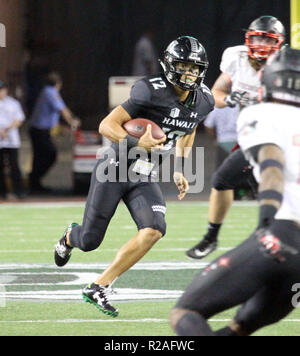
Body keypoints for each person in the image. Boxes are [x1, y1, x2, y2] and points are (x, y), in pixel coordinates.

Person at [54, 36, 214, 317]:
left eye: (194, 67)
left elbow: (188, 127)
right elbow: (107, 125)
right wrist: (138, 143)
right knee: (89, 241)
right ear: (168, 65)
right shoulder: (150, 92)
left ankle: (100, 286)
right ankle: (69, 237)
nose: (189, 73)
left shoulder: (204, 100)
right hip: (114, 168)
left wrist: (180, 166)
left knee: (154, 228)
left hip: (144, 173)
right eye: (183, 66)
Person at [171, 46, 300, 337]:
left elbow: (271, 166)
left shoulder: (262, 113)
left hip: (283, 232)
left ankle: (214, 235)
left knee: (185, 313)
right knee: (238, 329)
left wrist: (266, 221)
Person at [186, 15, 285, 259]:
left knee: (273, 196)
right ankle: (212, 237)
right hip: (250, 140)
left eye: (267, 39)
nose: (261, 44)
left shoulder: (287, 65)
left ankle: (274, 241)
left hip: (280, 141)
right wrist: (230, 99)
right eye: (258, 38)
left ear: (279, 44)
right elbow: (216, 93)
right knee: (223, 181)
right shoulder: (236, 58)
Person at [28, 72, 80, 194]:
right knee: (51, 154)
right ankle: (34, 178)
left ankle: (35, 184)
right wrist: (72, 121)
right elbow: (62, 109)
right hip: (40, 130)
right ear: (58, 84)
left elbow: (50, 116)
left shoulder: (45, 91)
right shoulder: (51, 92)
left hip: (38, 129)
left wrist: (63, 127)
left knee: (39, 157)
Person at [0, 81, 26, 200]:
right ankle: (2, 193)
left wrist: (7, 129)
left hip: (11, 140)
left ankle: (19, 191)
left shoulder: (13, 103)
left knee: (14, 166)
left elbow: (19, 119)